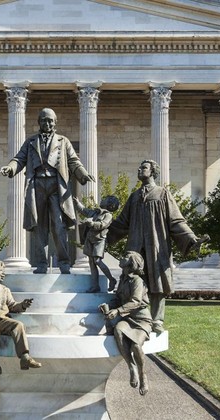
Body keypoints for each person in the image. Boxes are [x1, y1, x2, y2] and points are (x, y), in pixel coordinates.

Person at [107, 160, 208, 333]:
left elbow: (176, 221)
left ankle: (157, 320)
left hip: (157, 244)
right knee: (134, 280)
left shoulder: (163, 194)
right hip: (136, 246)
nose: (139, 170)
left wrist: (191, 239)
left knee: (158, 281)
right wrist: (103, 235)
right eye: (139, 167)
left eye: (144, 168)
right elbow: (122, 223)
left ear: (153, 172)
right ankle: (134, 317)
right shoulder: (134, 197)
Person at [0, 108, 95, 274]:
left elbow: (74, 161)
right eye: (44, 120)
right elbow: (19, 159)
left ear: (55, 122)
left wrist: (83, 175)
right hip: (37, 186)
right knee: (39, 227)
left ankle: (64, 263)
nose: (48, 123)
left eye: (51, 120)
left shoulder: (63, 141)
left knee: (59, 226)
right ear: (39, 122)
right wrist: (10, 168)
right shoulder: (30, 142)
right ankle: (42, 264)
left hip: (56, 186)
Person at [99, 251, 153, 396]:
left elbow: (135, 301)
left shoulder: (137, 281)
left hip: (141, 319)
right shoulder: (123, 279)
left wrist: (117, 311)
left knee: (136, 346)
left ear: (131, 262)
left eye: (125, 256)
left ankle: (143, 375)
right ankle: (131, 367)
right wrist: (109, 307)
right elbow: (118, 299)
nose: (121, 258)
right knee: (118, 330)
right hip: (127, 319)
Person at [74, 196, 120, 292]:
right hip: (90, 239)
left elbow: (103, 225)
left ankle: (112, 280)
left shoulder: (108, 215)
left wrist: (91, 224)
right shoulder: (95, 212)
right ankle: (95, 286)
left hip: (99, 240)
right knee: (91, 262)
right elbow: (84, 210)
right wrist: (77, 203)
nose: (102, 199)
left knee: (97, 260)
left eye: (104, 199)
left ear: (110, 205)